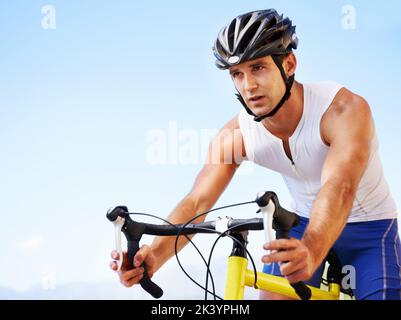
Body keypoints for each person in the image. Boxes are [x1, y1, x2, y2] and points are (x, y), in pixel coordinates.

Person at [109, 9, 400, 300]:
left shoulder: (342, 111)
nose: (248, 85)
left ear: (288, 64)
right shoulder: (237, 135)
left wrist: (313, 249)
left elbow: (340, 187)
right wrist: (155, 257)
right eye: (237, 73)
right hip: (300, 226)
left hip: (371, 232)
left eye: (258, 67)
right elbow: (198, 200)